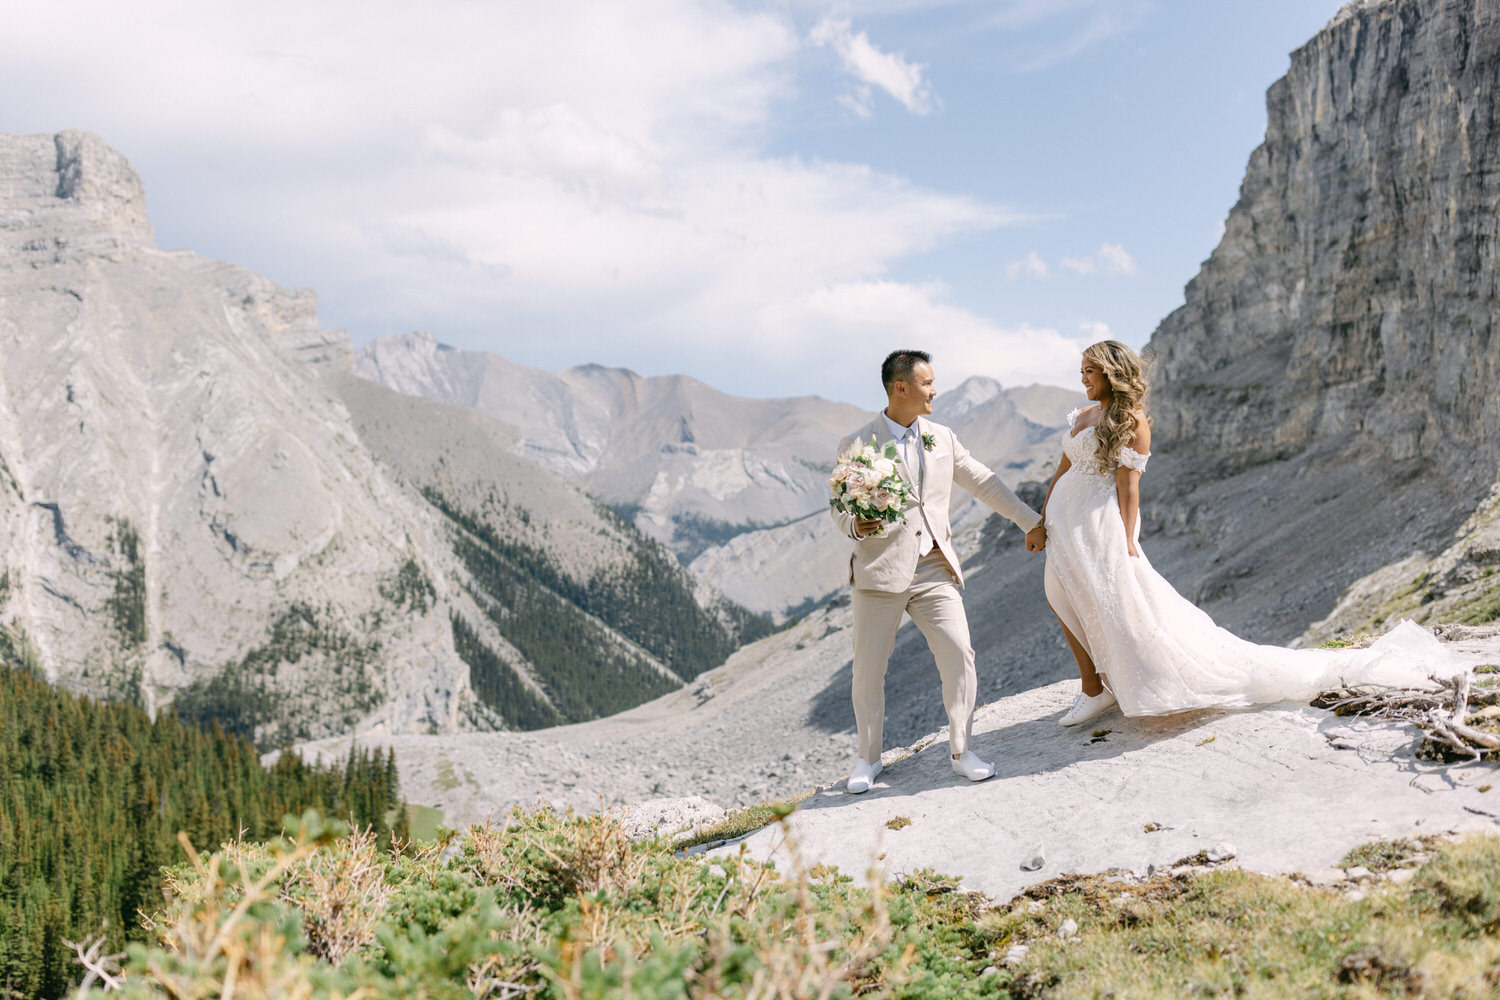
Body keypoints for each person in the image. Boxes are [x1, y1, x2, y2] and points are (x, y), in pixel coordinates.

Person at [1039, 339, 1462, 728]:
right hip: (1064, 525)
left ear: (1111, 373)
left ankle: (1100, 688)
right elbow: (1063, 470)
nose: (1082, 380)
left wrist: (1128, 539)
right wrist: (1041, 519)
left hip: (1098, 525)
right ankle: (1099, 685)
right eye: (1080, 372)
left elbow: (1128, 486)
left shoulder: (1131, 420)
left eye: (1089, 372)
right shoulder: (1082, 416)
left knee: (1119, 606)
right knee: (1063, 598)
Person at [831, 350, 1047, 793]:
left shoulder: (942, 437)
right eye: (927, 383)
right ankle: (868, 760)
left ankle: (962, 751)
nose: (935, 390)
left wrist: (1030, 521)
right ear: (901, 388)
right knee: (869, 671)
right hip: (879, 572)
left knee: (959, 654)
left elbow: (982, 480)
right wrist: (854, 524)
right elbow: (839, 506)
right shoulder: (858, 444)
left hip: (934, 566)